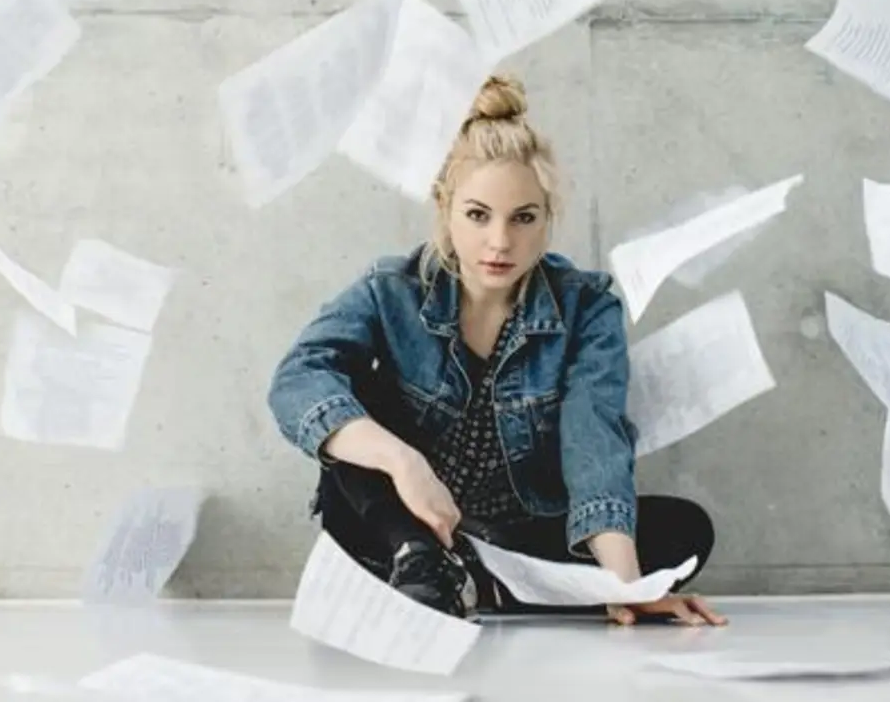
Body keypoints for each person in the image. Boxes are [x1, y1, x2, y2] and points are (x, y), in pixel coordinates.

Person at [267, 75, 725, 627]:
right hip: (400, 518)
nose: (501, 242)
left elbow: (594, 436)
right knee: (351, 402)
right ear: (446, 208)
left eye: (524, 218)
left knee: (685, 530)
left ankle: (477, 583)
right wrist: (404, 463)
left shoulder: (587, 305)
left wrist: (624, 585)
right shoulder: (390, 289)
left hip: (523, 527)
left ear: (548, 216)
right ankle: (423, 563)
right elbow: (297, 380)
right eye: (479, 215)